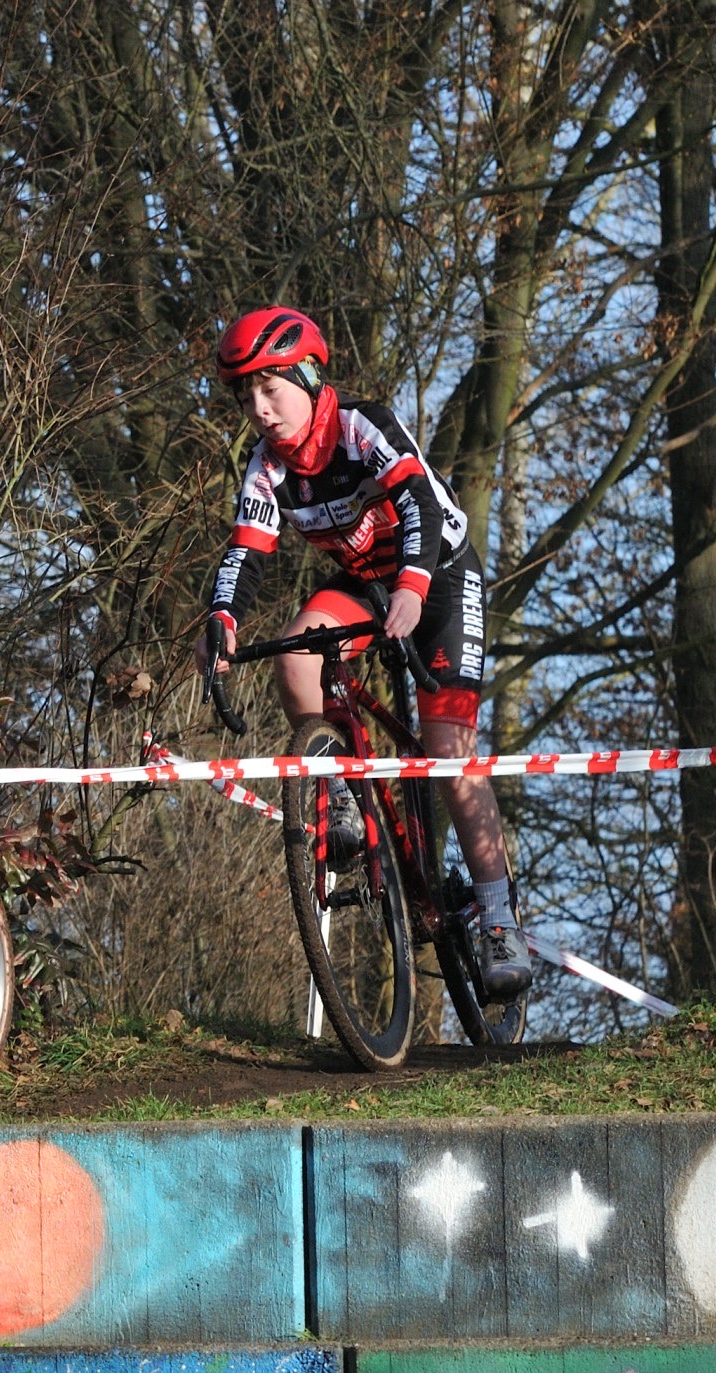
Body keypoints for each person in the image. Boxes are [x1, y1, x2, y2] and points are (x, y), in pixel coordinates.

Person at [196, 306, 535, 999]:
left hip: (440, 578)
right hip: (366, 584)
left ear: (307, 377)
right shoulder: (266, 468)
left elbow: (420, 504)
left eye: (270, 390)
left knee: (448, 748)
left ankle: (500, 917)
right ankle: (342, 792)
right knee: (297, 657)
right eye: (246, 398)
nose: (259, 411)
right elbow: (245, 552)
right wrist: (221, 620)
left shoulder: (360, 425)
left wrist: (413, 585)